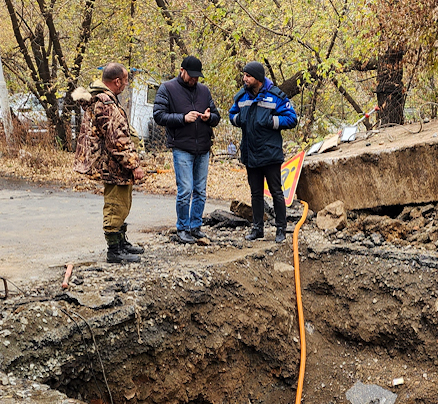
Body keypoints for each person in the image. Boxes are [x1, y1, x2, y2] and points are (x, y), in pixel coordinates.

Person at [73, 63, 147, 263]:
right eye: (125, 81)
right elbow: (117, 140)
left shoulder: (105, 100)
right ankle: (114, 250)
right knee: (115, 204)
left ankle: (121, 242)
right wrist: (134, 164)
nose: (126, 84)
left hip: (116, 164)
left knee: (123, 203)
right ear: (117, 81)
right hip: (113, 164)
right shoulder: (106, 103)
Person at [152, 56, 220, 244]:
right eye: (192, 76)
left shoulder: (204, 91)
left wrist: (209, 117)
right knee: (185, 189)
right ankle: (182, 228)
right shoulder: (167, 88)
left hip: (203, 147)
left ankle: (195, 226)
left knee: (200, 190)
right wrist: (183, 118)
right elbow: (158, 115)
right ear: (182, 70)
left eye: (198, 77)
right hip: (182, 147)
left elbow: (216, 116)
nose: (194, 80)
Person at [229, 61, 297, 243]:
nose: (244, 79)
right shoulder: (242, 96)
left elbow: (292, 119)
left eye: (248, 76)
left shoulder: (276, 96)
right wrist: (239, 119)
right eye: (244, 75)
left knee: (276, 192)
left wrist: (271, 121)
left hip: (270, 153)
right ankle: (257, 229)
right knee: (255, 193)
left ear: (258, 78)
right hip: (250, 152)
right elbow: (231, 115)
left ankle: (281, 229)